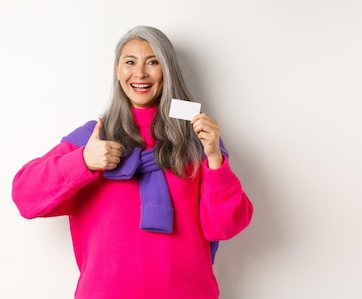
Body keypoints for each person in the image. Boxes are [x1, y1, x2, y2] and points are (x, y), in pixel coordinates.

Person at [12, 25, 253, 299]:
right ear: (118, 70)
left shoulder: (196, 142)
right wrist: (82, 162)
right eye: (130, 62)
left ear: (168, 71)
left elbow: (225, 225)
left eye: (153, 62)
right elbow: (25, 197)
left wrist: (213, 157)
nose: (140, 73)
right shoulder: (92, 139)